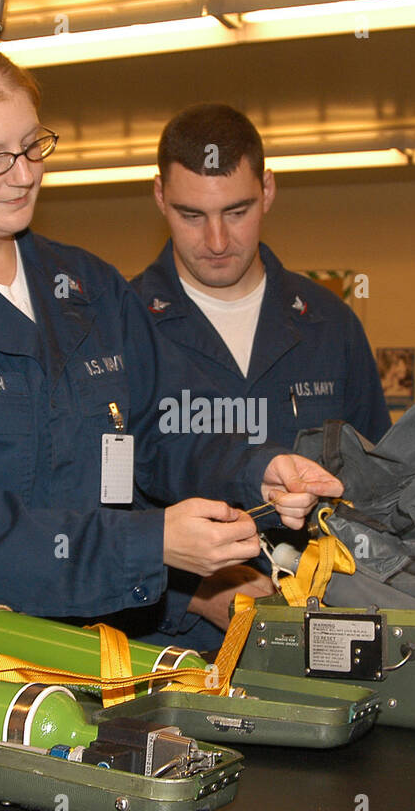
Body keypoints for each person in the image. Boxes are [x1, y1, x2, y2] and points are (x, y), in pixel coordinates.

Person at [0, 37, 341, 649]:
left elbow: (156, 434)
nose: (22, 175)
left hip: (80, 635)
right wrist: (148, 545)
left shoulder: (89, 290)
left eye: (32, 145)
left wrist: (254, 471)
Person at [129, 103, 391, 649]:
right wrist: (194, 592)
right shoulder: (120, 327)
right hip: (166, 646)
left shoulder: (329, 323)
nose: (218, 240)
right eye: (191, 215)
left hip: (318, 628)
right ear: (159, 198)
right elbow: (93, 500)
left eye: (238, 210)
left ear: (268, 190)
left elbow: (377, 486)